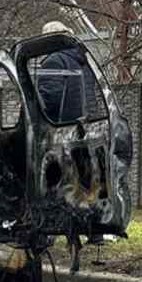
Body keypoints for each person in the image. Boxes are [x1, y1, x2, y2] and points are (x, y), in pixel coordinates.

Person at [39, 21, 103, 245]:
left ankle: (46, 230)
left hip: (62, 129)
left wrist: (39, 118)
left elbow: (49, 98)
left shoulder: (54, 60)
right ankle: (95, 231)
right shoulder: (83, 60)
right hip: (85, 129)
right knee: (86, 181)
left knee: (51, 180)